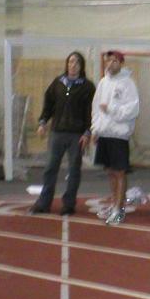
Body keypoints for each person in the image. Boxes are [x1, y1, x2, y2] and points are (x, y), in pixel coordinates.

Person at [31, 51, 95, 215]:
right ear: (67, 64)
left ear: (82, 66)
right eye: (70, 62)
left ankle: (69, 204)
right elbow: (48, 105)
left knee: (74, 170)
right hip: (57, 133)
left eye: (77, 63)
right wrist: (43, 122)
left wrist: (87, 132)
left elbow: (90, 112)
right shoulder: (57, 83)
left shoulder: (88, 86)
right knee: (50, 168)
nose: (73, 65)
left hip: (77, 136)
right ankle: (44, 203)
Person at [91, 51, 139, 225]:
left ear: (120, 63)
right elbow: (96, 108)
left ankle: (120, 210)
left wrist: (111, 110)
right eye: (107, 61)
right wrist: (95, 130)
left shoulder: (128, 84)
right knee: (110, 172)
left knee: (120, 172)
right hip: (104, 133)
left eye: (113, 61)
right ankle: (114, 204)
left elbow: (133, 110)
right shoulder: (103, 83)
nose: (110, 64)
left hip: (119, 135)